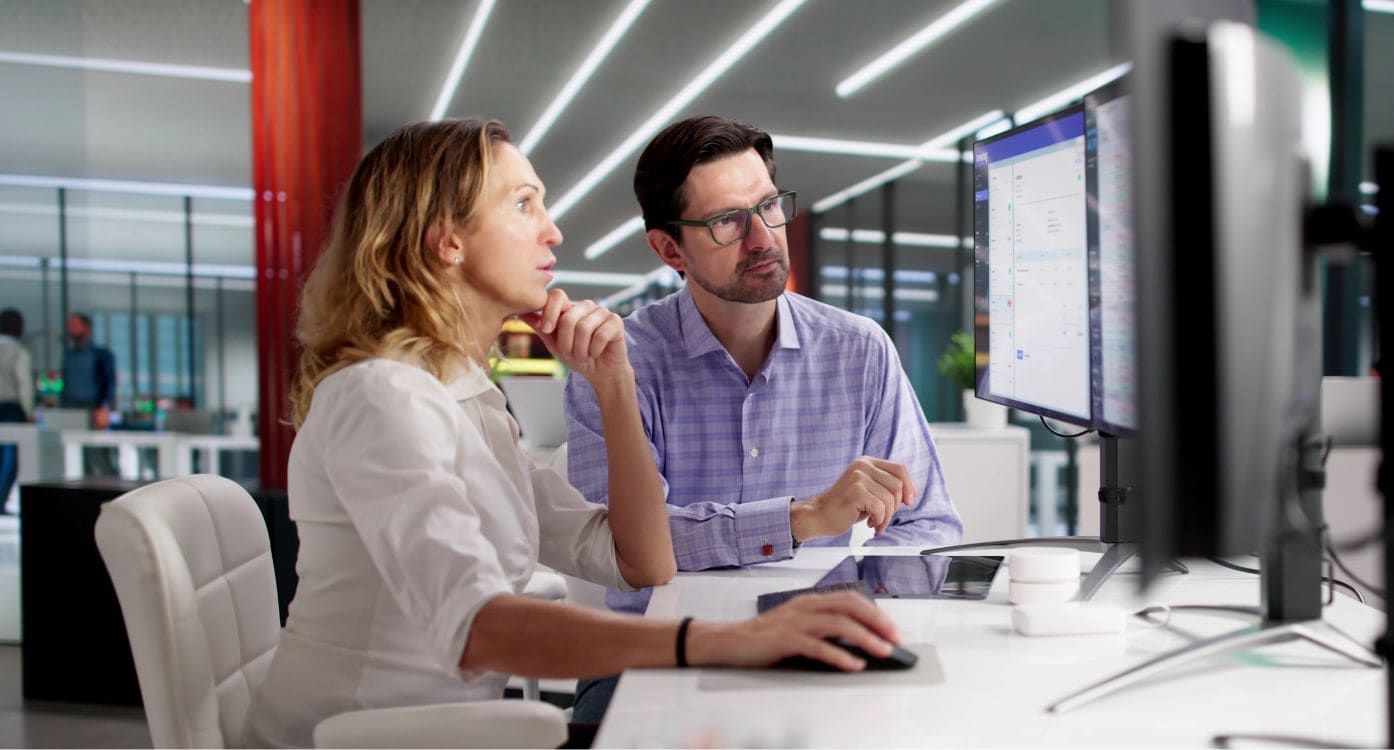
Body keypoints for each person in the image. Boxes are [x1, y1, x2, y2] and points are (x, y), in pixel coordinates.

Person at [242, 118, 904, 749]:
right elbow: (477, 630)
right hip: (354, 739)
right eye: (525, 205)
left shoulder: (464, 400)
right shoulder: (382, 395)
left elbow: (641, 562)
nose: (553, 233)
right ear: (449, 240)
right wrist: (725, 639)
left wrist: (613, 382)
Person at [563, 115, 964, 721]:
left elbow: (930, 528)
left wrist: (844, 598)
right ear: (670, 248)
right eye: (727, 220)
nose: (762, 238)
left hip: (811, 645)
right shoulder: (617, 364)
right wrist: (799, 519)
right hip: (649, 655)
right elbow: (623, 546)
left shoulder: (859, 350)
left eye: (769, 206)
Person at [0, 309, 33, 513]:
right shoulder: (19, 352)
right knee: (11, 456)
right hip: (11, 409)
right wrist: (29, 413)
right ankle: (1, 498)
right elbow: (24, 385)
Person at [59, 313, 115, 430]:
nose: (71, 329)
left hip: (93, 407)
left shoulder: (101, 355)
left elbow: (108, 383)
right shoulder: (68, 356)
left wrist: (104, 407)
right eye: (70, 326)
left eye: (75, 325)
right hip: (70, 406)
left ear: (86, 328)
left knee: (94, 445)